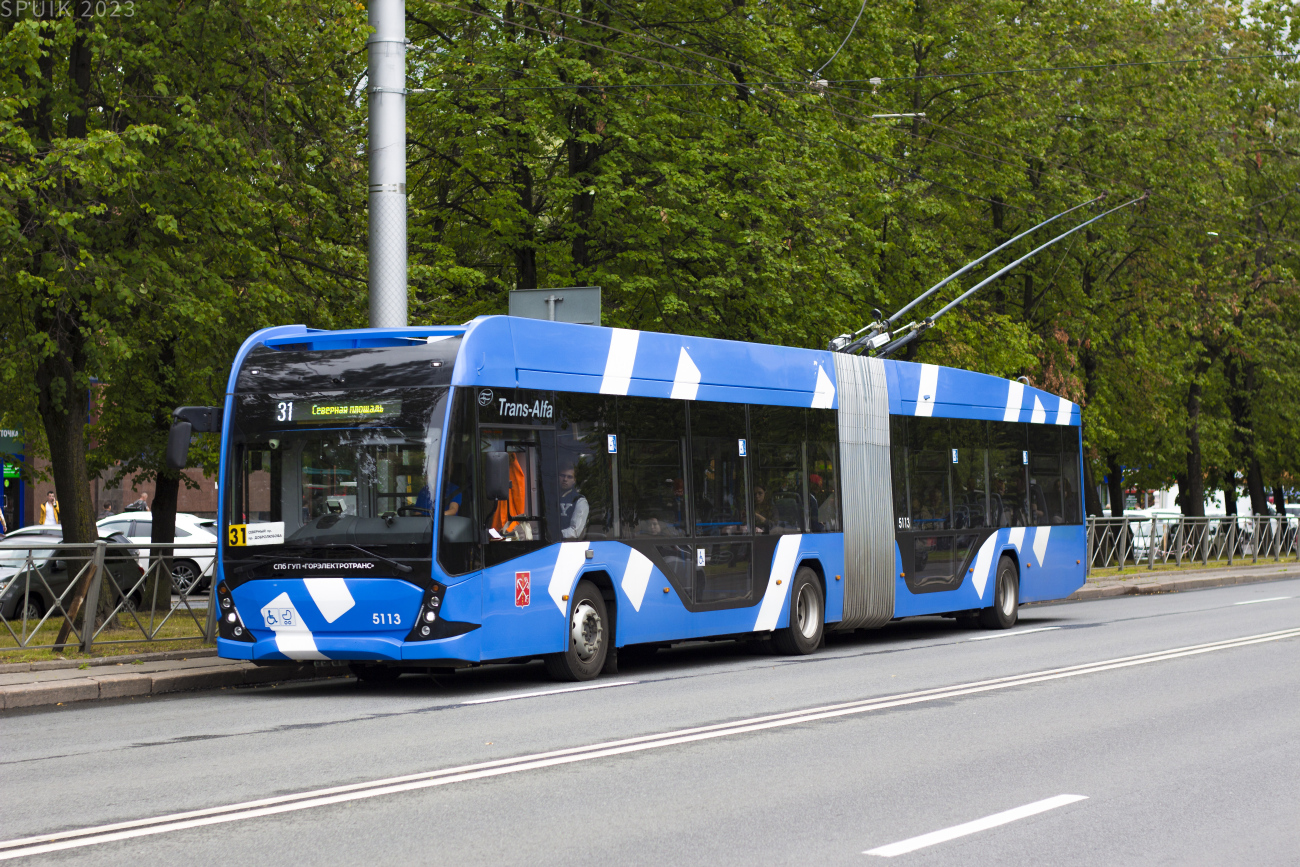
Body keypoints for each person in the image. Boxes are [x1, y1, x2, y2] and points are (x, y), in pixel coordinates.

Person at [558, 463, 588, 539]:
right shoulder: (550, 497)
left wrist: (557, 535)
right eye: (562, 475)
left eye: (569, 477)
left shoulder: (580, 500)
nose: (565, 479)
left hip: (568, 544)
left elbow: (575, 531)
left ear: (574, 480)